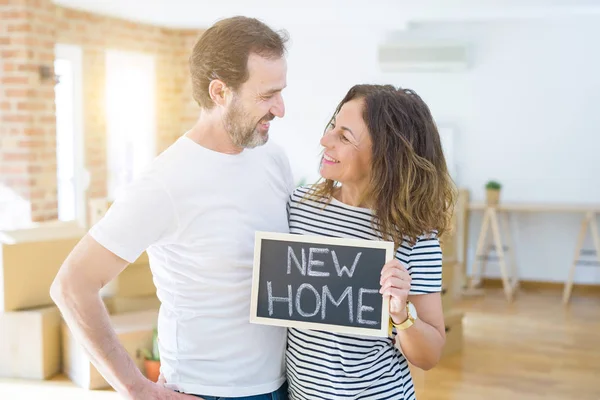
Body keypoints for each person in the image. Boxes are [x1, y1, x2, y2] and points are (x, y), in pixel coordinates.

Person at [50, 16, 293, 400]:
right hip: (204, 392)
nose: (280, 109)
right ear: (219, 92)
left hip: (281, 385)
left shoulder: (273, 159)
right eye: (266, 96)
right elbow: (71, 285)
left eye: (280, 92)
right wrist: (135, 388)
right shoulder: (164, 183)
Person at [285, 84, 455, 399]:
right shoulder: (297, 208)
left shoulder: (416, 238)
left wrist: (401, 314)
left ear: (386, 155)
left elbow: (429, 356)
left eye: (344, 136)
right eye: (332, 127)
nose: (325, 140)